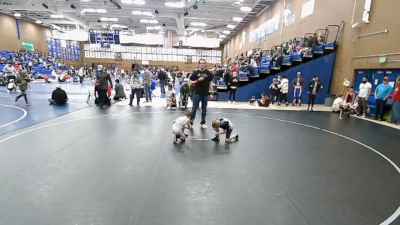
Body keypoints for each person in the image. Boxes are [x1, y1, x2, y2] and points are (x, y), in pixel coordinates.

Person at [189, 59, 214, 129]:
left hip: (205, 94)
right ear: (199, 64)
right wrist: (197, 80)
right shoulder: (195, 73)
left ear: (205, 64)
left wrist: (212, 93)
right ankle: (191, 122)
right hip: (197, 94)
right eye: (201, 63)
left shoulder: (209, 73)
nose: (202, 64)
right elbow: (190, 82)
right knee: (194, 109)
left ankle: (203, 123)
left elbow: (210, 83)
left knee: (204, 109)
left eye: (203, 63)